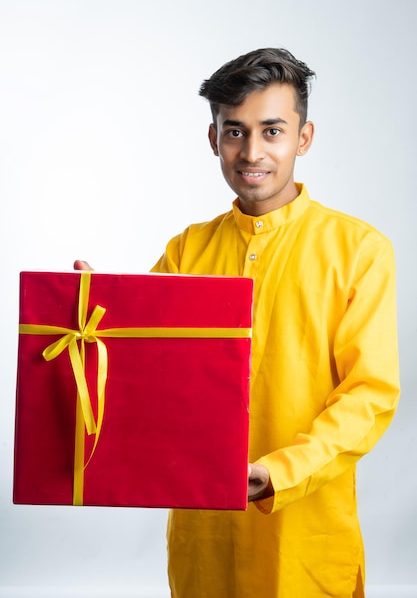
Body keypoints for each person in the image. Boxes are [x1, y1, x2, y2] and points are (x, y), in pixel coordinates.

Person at [76, 47, 400, 598]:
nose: (252, 151)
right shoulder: (186, 251)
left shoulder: (359, 251)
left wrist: (279, 472)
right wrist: (94, 316)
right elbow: (140, 374)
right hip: (204, 541)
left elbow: (368, 397)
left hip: (303, 537)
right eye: (235, 131)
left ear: (304, 137)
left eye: (272, 131)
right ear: (213, 140)